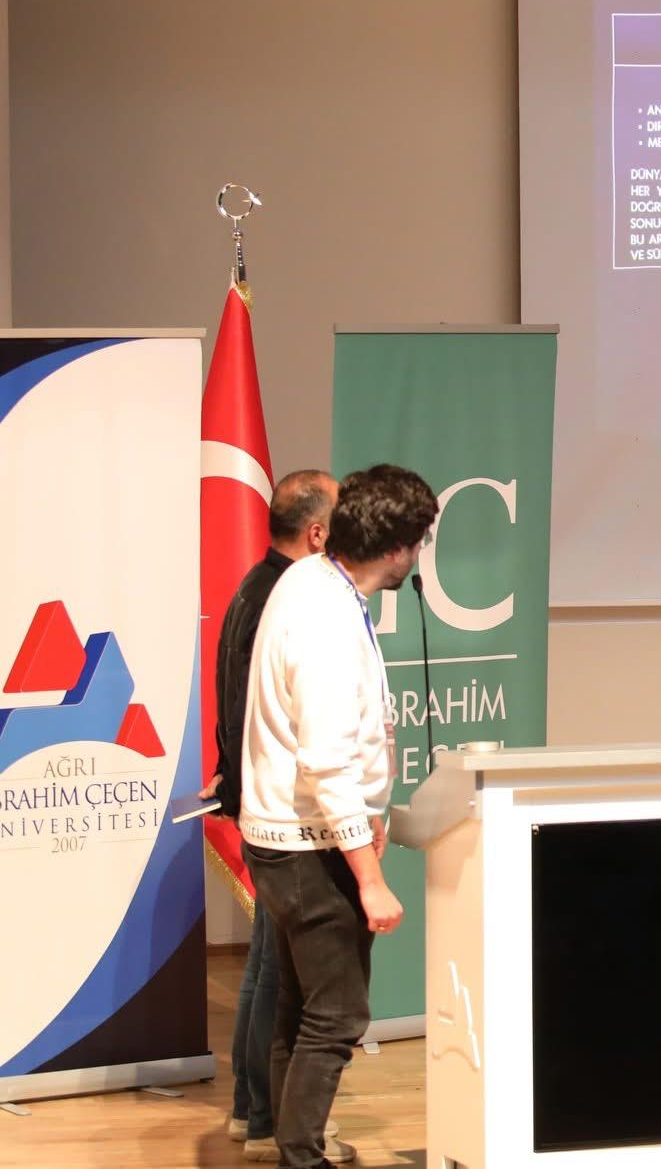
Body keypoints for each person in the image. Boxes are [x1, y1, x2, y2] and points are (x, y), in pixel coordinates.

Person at [240, 464, 439, 1169]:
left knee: (302, 1008)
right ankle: (302, 1156)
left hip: (292, 836)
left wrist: (367, 810)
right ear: (400, 547)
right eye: (419, 543)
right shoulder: (326, 616)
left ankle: (295, 1144)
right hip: (307, 846)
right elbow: (324, 761)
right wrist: (370, 879)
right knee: (338, 1015)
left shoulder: (313, 580)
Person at [211, 470, 340, 1162]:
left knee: (266, 965)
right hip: (280, 812)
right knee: (276, 968)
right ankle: (265, 1117)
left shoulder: (255, 588)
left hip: (258, 803)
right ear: (317, 533)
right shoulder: (286, 598)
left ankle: (251, 1108)